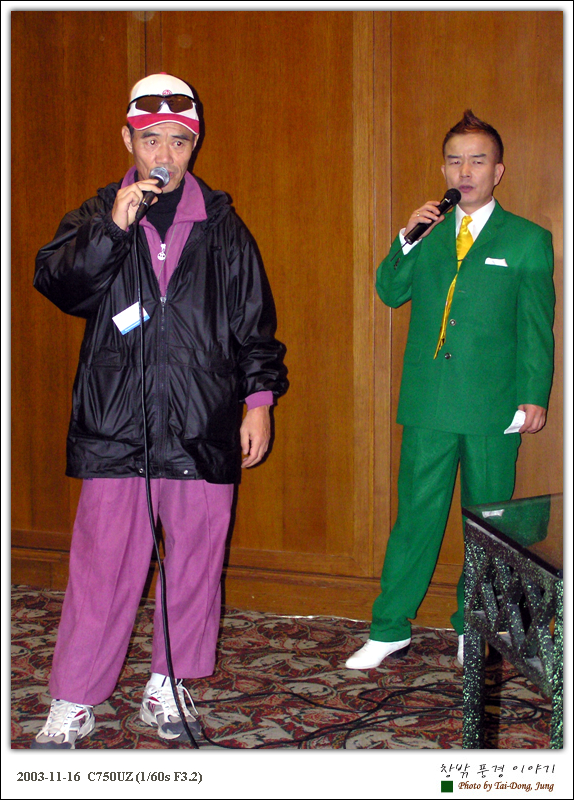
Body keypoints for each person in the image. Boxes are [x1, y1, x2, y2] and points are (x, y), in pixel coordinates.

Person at [31, 73, 288, 747]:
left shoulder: (224, 226)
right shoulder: (98, 213)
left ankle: (168, 684)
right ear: (128, 140)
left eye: (178, 141)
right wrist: (113, 229)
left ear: (194, 146)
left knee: (197, 559)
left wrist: (258, 402)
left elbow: (254, 324)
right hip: (118, 421)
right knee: (103, 563)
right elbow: (56, 283)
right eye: (151, 141)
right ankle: (74, 694)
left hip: (203, 420)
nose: (164, 155)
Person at [346, 110, 554, 670]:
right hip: (429, 404)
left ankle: (475, 627)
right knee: (415, 518)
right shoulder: (429, 233)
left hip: (494, 408)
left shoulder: (528, 240)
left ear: (498, 171)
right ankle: (390, 628)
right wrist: (406, 238)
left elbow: (537, 326)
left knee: (487, 528)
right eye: (455, 161)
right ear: (443, 168)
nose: (465, 171)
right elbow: (390, 291)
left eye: (477, 161)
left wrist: (535, 395)